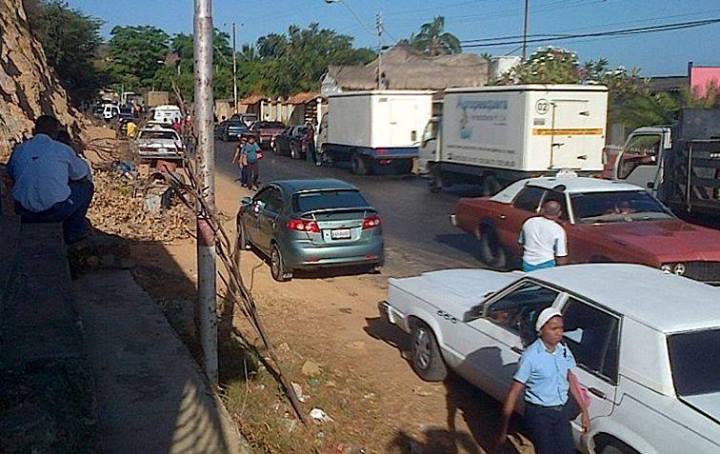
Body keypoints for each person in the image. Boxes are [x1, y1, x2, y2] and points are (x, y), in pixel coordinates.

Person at [496, 308, 590, 454]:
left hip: (561, 412)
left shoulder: (563, 350)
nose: (559, 332)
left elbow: (570, 378)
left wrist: (584, 411)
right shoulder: (531, 357)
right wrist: (503, 431)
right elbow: (514, 393)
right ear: (540, 330)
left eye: (561, 328)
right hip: (539, 415)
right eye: (554, 328)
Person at [8, 115, 94, 244]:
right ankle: (73, 232)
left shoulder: (19, 150)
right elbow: (81, 174)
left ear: (34, 131)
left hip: (24, 212)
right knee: (86, 187)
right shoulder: (62, 149)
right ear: (55, 133)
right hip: (54, 212)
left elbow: (11, 173)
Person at [518, 200, 568, 272]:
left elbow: (521, 243)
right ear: (559, 213)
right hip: (547, 264)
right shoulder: (558, 230)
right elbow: (561, 256)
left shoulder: (529, 222)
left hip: (527, 262)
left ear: (542, 210)